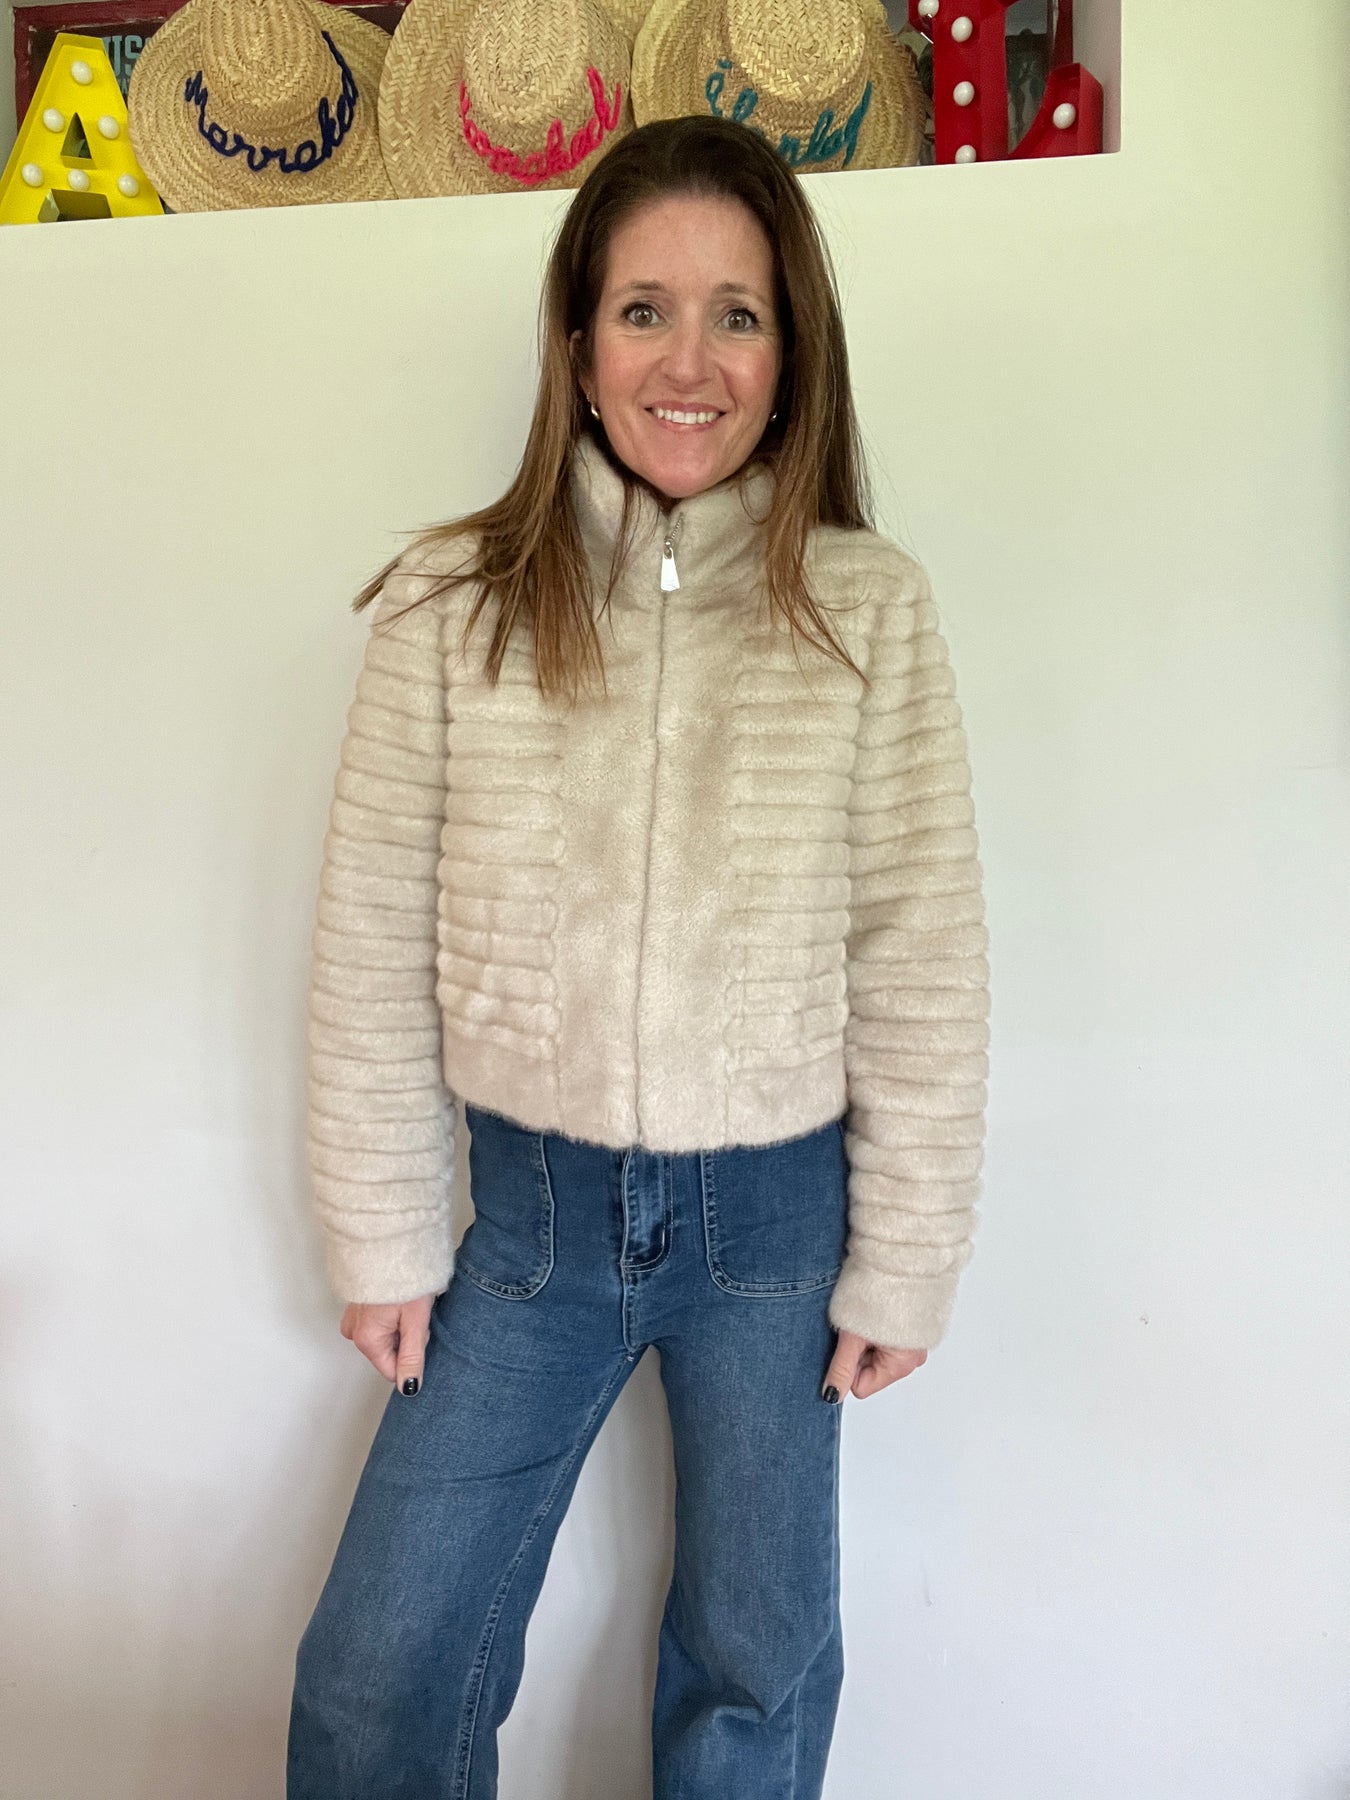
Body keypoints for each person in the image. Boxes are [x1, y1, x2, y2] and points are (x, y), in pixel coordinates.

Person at [287, 113, 990, 1800]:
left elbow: (917, 948)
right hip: (528, 1224)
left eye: (737, 314)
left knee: (754, 1666)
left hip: (777, 1232)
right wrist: (382, 1233)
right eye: (643, 310)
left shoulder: (864, 607)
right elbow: (370, 931)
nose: (690, 362)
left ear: (790, 351)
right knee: (378, 1675)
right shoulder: (450, 603)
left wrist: (905, 1259)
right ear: (577, 343)